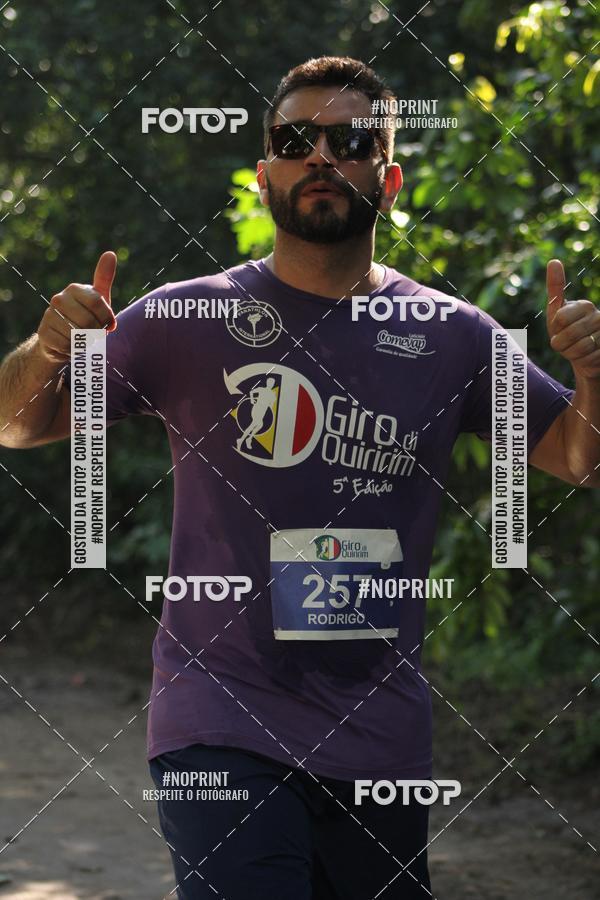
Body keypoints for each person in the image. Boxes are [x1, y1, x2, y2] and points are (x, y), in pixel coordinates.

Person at [1, 56, 599, 900]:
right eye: (294, 141)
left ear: (388, 178)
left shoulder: (453, 336)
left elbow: (579, 456)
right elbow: (17, 424)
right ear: (263, 174)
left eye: (349, 141)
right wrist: (49, 348)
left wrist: (591, 375)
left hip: (380, 733)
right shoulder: (183, 317)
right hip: (219, 715)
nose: (320, 156)